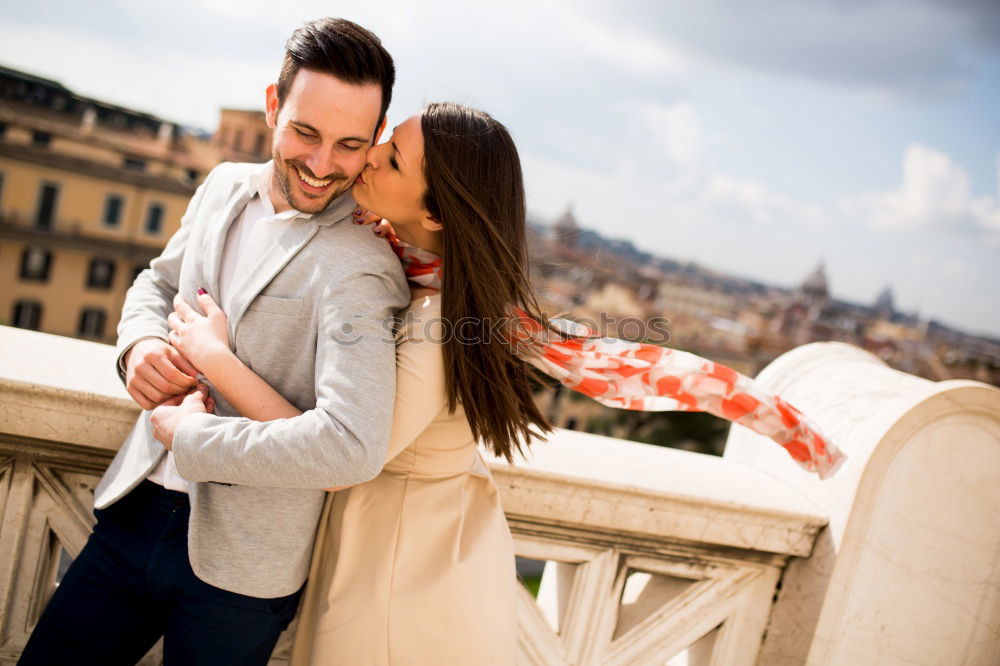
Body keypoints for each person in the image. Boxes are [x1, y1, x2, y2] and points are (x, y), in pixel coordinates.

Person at [158, 102, 846, 665]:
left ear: (435, 215)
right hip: (428, 541)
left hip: (398, 560)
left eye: (389, 158)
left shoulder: (437, 316)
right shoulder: (447, 291)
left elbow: (343, 458)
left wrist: (214, 361)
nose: (368, 156)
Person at [18, 18, 410, 666]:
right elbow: (156, 281)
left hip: (243, 570)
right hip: (133, 511)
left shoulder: (364, 266)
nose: (321, 165)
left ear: (374, 140)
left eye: (349, 145)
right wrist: (139, 347)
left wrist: (192, 432)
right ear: (273, 105)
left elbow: (350, 446)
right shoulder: (224, 183)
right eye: (306, 133)